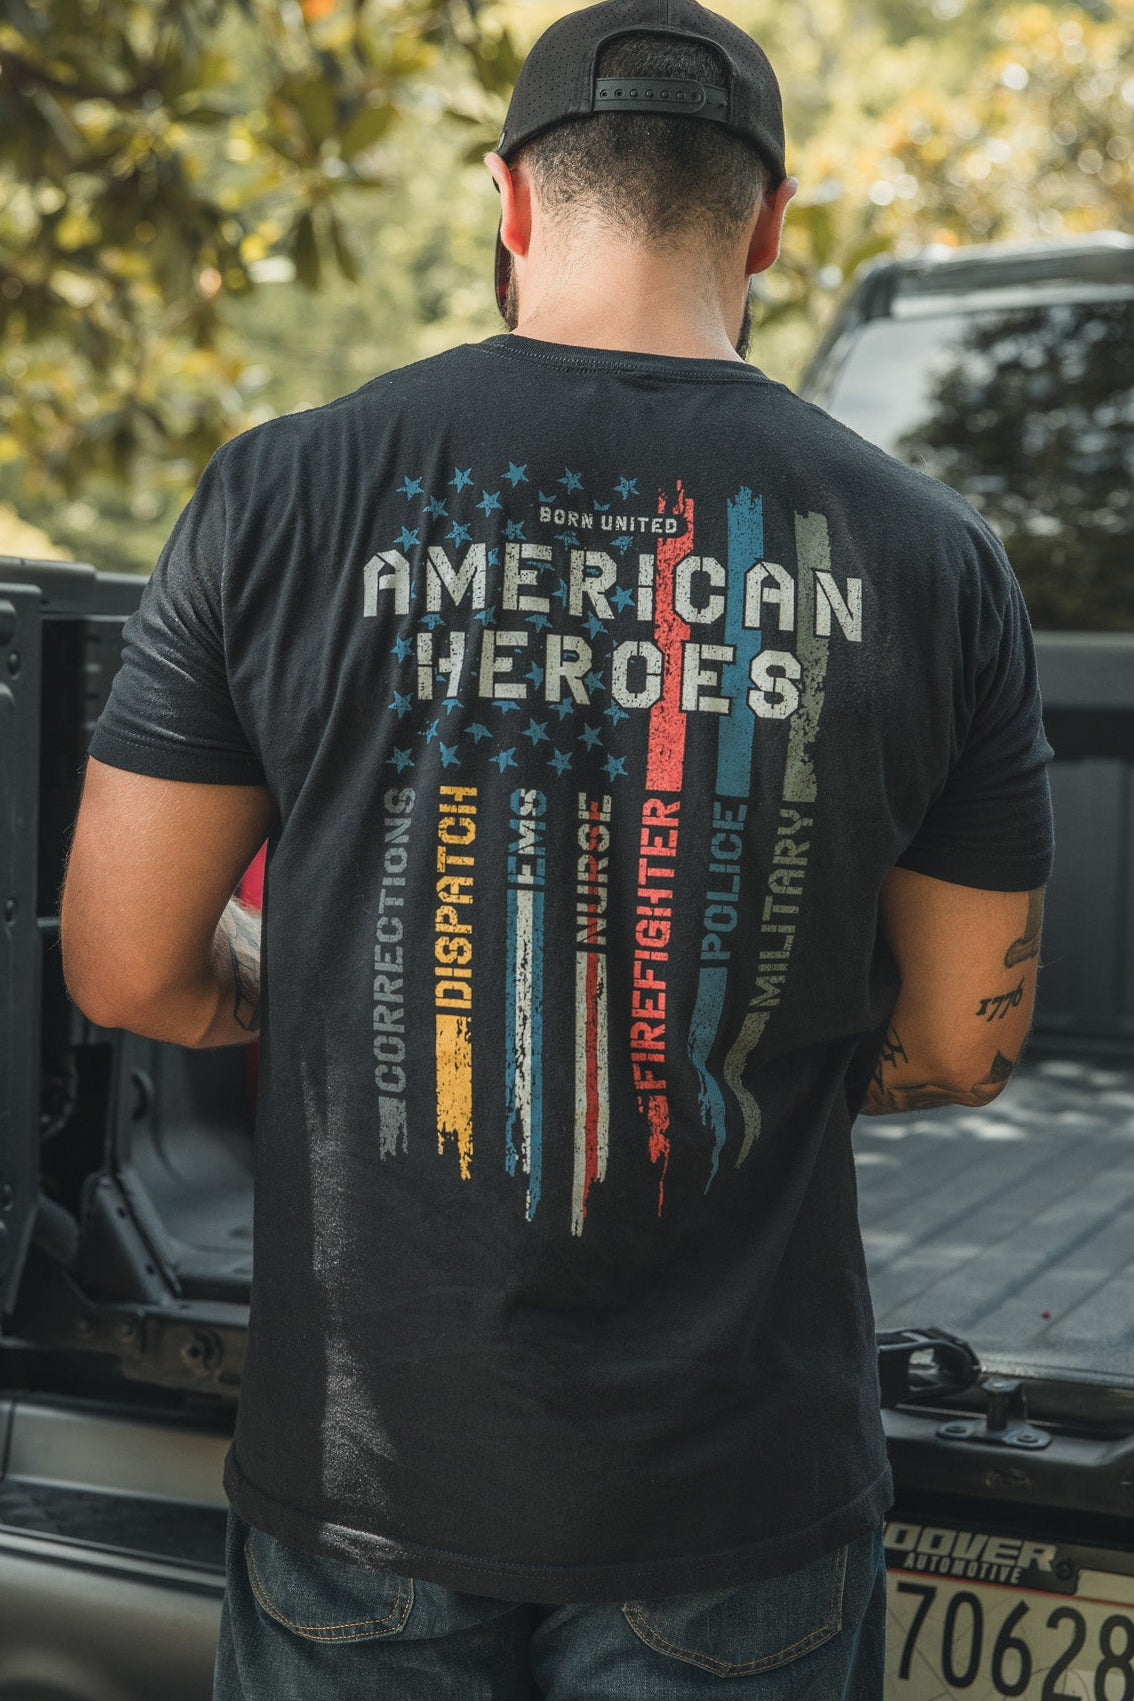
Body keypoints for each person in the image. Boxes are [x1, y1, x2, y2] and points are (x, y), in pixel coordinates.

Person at [60, 1, 1054, 1695]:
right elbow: (967, 1035)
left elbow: (130, 963)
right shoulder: (926, 551)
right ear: (767, 226)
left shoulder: (285, 491)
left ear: (511, 205)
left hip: (365, 1486)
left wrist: (303, 1004)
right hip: (739, 1505)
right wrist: (769, 1053)